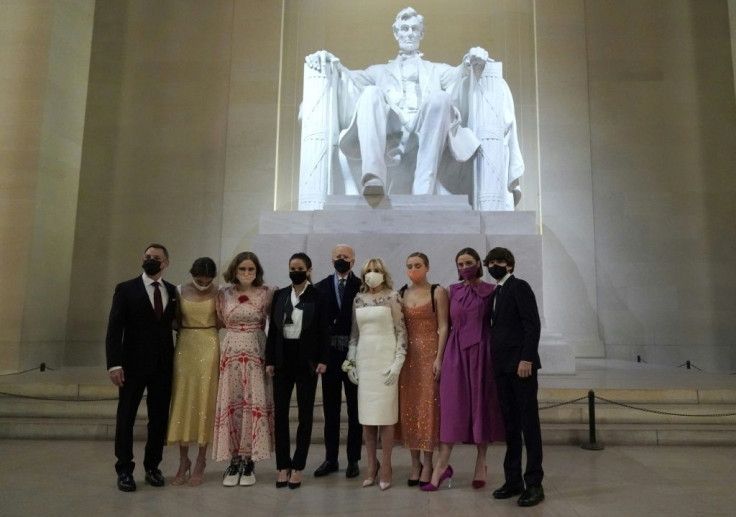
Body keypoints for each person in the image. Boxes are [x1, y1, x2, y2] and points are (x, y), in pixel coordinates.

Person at [305, 7, 490, 196]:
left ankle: (423, 188)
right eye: (404, 28)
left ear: (421, 34)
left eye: (414, 29)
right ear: (396, 33)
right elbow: (349, 78)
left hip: (425, 131)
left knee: (440, 97)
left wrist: (470, 60)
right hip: (391, 133)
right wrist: (331, 63)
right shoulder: (378, 71)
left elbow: (459, 73)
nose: (409, 33)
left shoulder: (436, 70)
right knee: (370, 93)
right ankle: (373, 178)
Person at [422, 247, 505, 492]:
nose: (464, 267)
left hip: (482, 353)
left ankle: (482, 462)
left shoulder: (491, 291)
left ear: (479, 263)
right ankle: (441, 467)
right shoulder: (452, 290)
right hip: (455, 353)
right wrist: (438, 358)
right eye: (460, 263)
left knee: (481, 407)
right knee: (452, 409)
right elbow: (444, 326)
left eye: (468, 262)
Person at [106, 243, 178, 492]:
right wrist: (114, 364)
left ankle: (152, 466)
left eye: (156, 258)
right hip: (132, 365)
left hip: (162, 366)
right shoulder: (126, 289)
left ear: (165, 263)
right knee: (126, 417)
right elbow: (115, 329)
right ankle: (124, 469)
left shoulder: (172, 291)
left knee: (158, 418)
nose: (151, 260)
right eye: (147, 256)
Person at [485, 247, 544, 507]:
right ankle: (513, 480)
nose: (494, 266)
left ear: (509, 265)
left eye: (499, 262)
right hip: (502, 367)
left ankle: (534, 483)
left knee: (528, 426)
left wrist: (526, 358)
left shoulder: (519, 286)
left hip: (521, 367)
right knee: (510, 427)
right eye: (491, 262)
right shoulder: (496, 292)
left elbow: (532, 325)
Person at [266, 252, 330, 489]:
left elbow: (324, 330)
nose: (295, 271)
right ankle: (283, 465)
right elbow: (273, 330)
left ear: (309, 270)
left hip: (307, 361)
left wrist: (323, 359)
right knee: (281, 413)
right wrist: (270, 359)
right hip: (283, 359)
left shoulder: (318, 296)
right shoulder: (280, 295)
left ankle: (298, 466)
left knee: (305, 414)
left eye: (300, 267)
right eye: (292, 267)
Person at [344, 258, 407, 491]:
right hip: (365, 360)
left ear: (384, 273)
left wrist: (397, 363)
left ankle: (388, 466)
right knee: (367, 420)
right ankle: (372, 465)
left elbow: (401, 331)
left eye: (376, 270)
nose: (372, 274)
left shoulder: (393, 297)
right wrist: (351, 362)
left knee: (386, 418)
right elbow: (354, 334)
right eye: (368, 271)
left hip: (386, 359)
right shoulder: (358, 299)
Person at [213, 252, 275, 487]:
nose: (247, 273)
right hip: (231, 356)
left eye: (251, 269)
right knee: (233, 405)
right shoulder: (224, 294)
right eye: (242, 269)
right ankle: (234, 460)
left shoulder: (267, 293)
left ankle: (249, 460)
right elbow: (220, 320)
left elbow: (275, 324)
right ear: (235, 271)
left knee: (252, 405)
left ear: (257, 271)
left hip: (256, 353)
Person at [167, 257, 220, 486]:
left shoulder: (220, 292)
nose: (203, 284)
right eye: (199, 280)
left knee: (204, 399)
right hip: (185, 344)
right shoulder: (178, 290)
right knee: (182, 398)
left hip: (209, 342)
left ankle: (200, 460)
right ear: (192, 274)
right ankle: (182, 460)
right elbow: (175, 320)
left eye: (207, 281)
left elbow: (221, 321)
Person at [398, 252, 449, 487]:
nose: (413, 269)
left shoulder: (437, 291)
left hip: (429, 355)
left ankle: (429, 463)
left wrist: (439, 357)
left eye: (418, 265)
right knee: (409, 408)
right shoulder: (401, 293)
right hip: (407, 357)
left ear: (427, 267)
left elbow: (444, 326)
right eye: (409, 266)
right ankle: (414, 462)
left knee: (428, 408)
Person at [313, 245, 363, 479]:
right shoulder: (320, 287)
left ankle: (353, 459)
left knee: (355, 409)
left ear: (353, 261)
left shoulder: (362, 286)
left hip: (355, 353)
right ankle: (330, 458)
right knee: (331, 411)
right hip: (330, 355)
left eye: (345, 257)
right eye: (337, 257)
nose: (341, 260)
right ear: (331, 260)